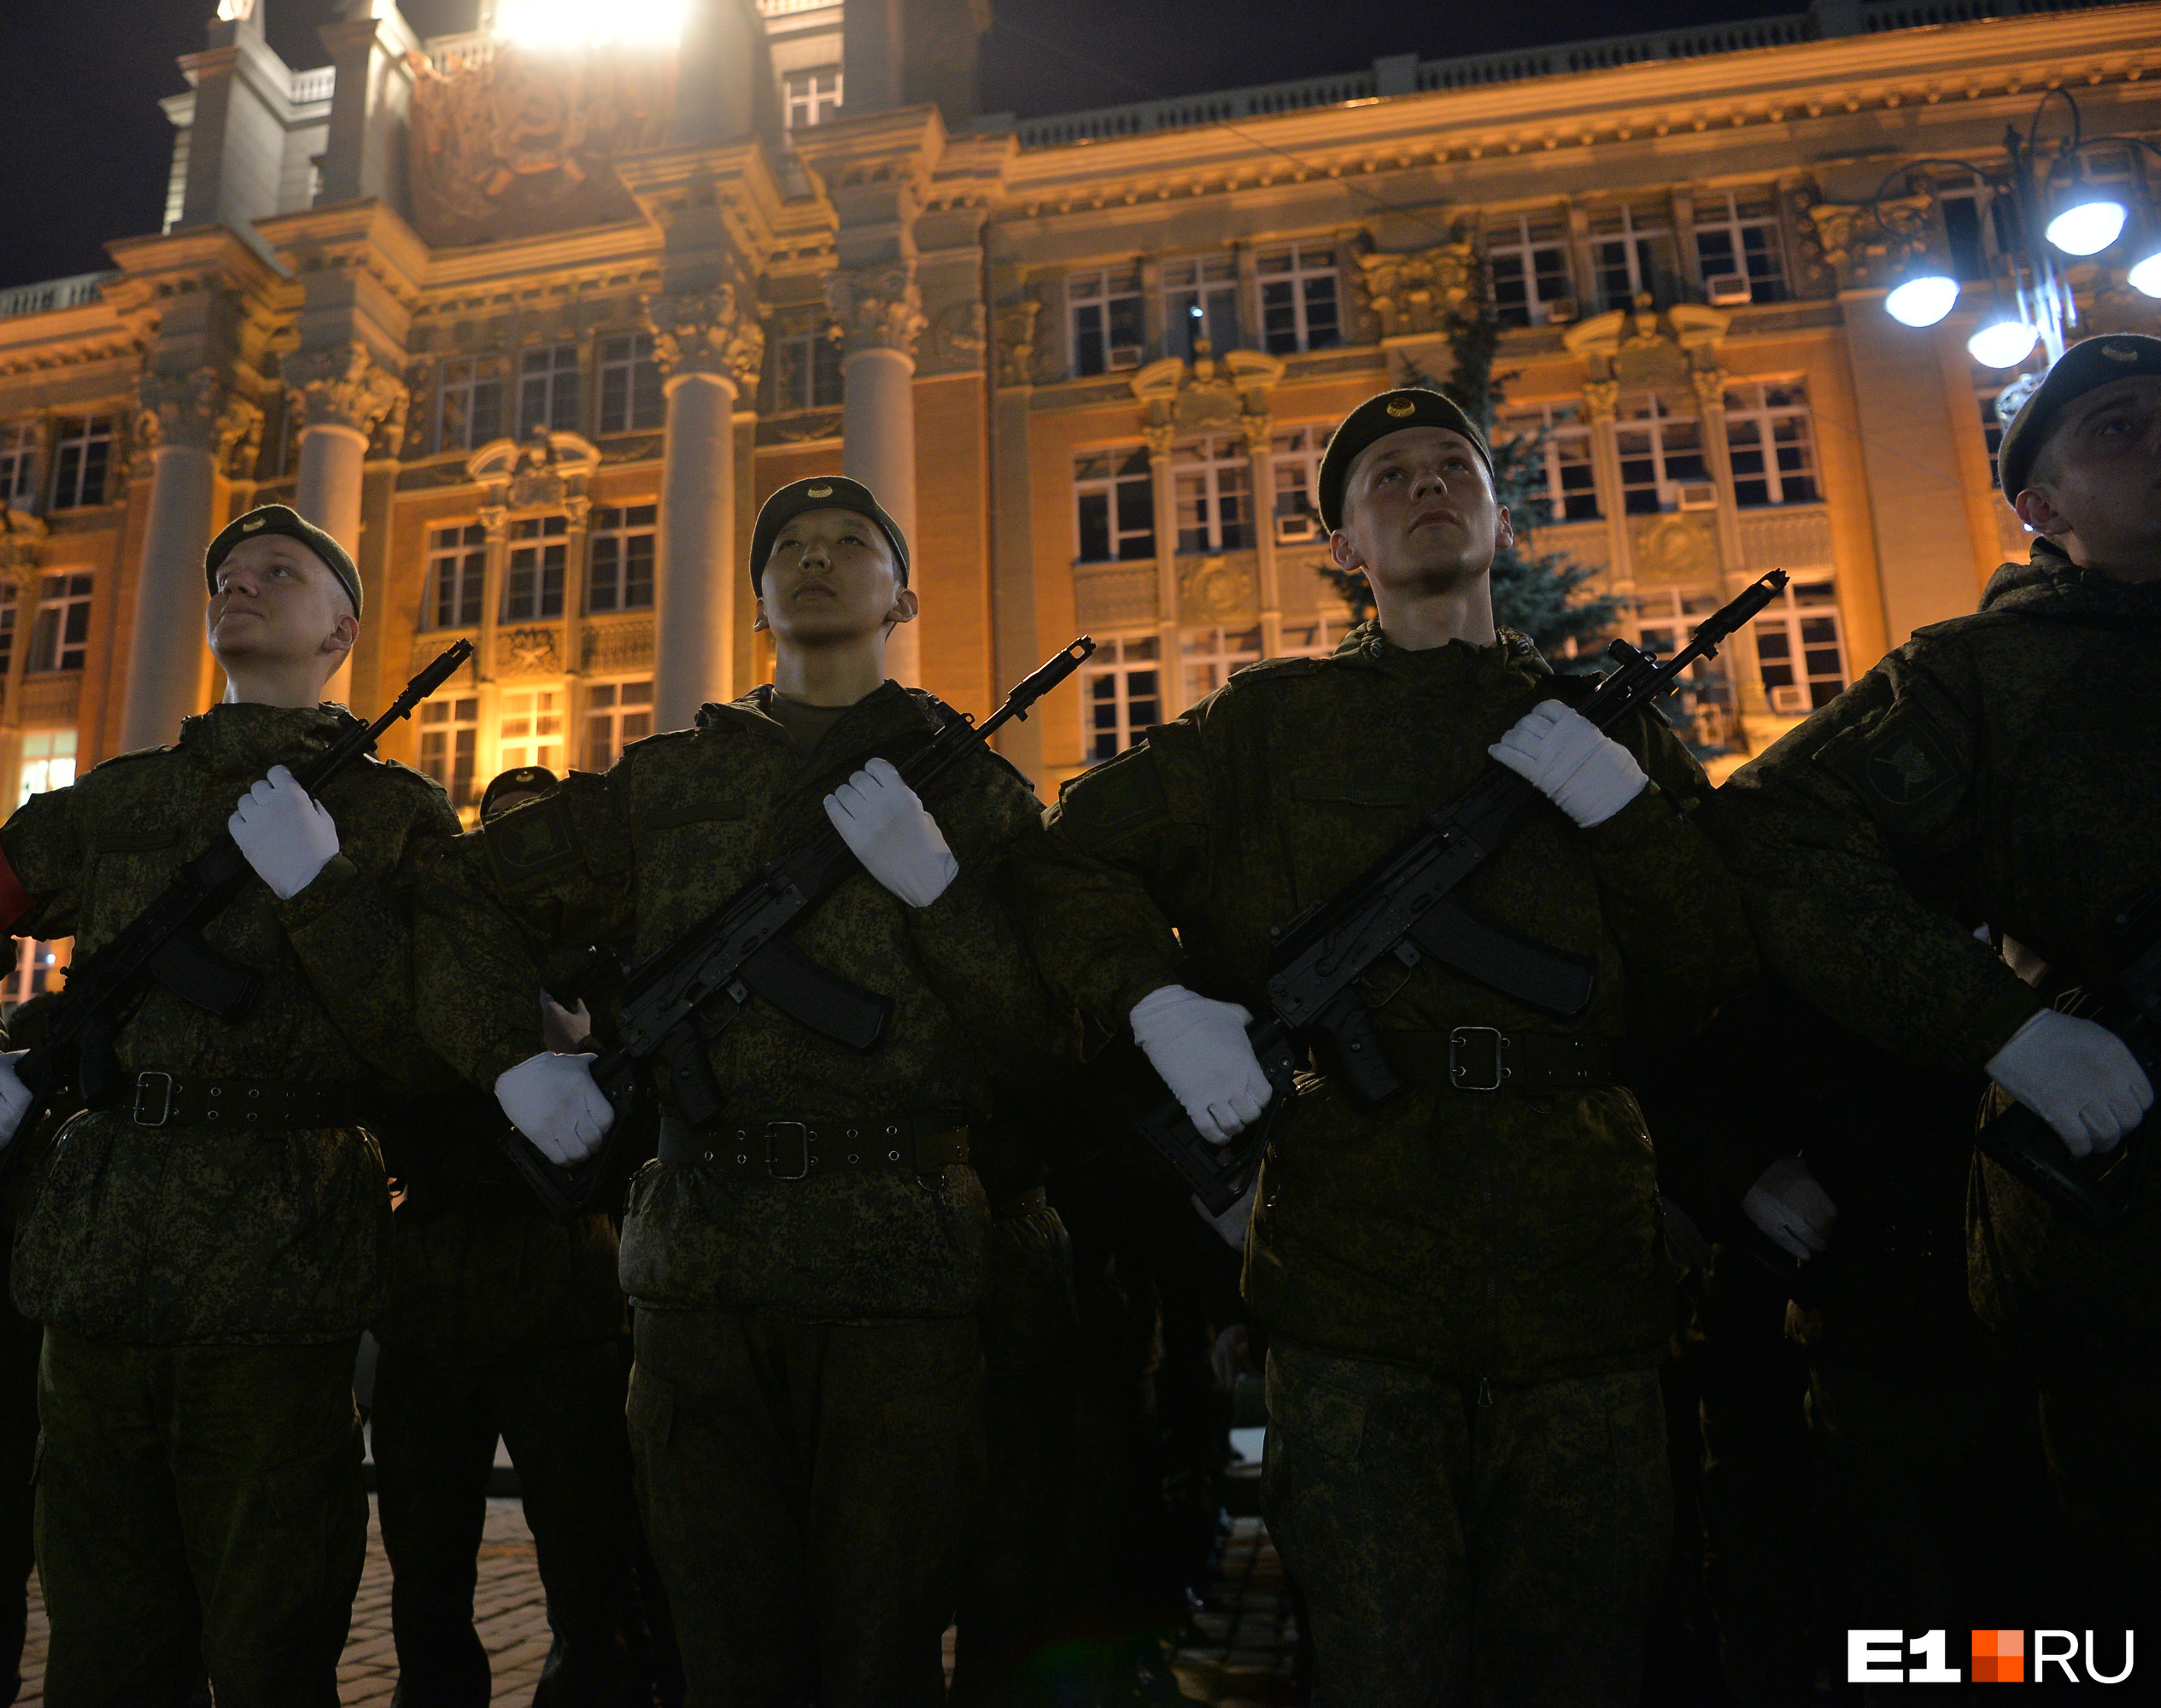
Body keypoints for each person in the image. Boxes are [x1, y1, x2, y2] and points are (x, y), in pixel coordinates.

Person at [1021, 389, 1754, 1706]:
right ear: (1346, 547)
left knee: (1581, 1660)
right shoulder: (1271, 725)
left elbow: (1707, 970)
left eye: (1452, 468)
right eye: (1390, 478)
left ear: (1494, 508)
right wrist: (1160, 1007)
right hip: (1352, 1264)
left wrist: (1627, 813)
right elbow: (1073, 860)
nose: (1428, 488)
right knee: (1381, 1659)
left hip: (1578, 1258)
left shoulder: (1605, 725)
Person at [426, 476, 1073, 1705]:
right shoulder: (667, 784)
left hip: (899, 1269)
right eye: (790, 547)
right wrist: (512, 1065)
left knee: (881, 1654)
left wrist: (939, 894)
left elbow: (1051, 1033)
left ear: (904, 596)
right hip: (704, 1266)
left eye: (850, 543)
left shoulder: (975, 794)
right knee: (727, 1651)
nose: (817, 559)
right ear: (758, 596)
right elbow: (461, 899)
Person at [0, 504, 463, 1708]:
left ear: (341, 625)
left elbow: (422, 1038)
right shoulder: (119, 802)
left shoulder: (395, 816)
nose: (240, 584)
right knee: (102, 1631)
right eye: (228, 573)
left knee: (270, 1632)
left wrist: (324, 892)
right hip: (103, 1256)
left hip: (285, 1263)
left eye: (278, 573)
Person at [1710, 330, 2161, 1642]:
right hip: (2123, 1231)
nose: (2157, 443)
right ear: (2041, 506)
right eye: (2116, 430)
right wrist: (2009, 1034)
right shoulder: (1987, 675)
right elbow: (1771, 837)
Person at [368, 763, 674, 1708]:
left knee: (590, 1564)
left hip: (566, 1294)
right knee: (425, 1574)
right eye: (497, 834)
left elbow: (653, 1132)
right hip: (431, 1296)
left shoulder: (616, 967)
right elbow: (382, 1101)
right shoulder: (432, 958)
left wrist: (587, 1055)